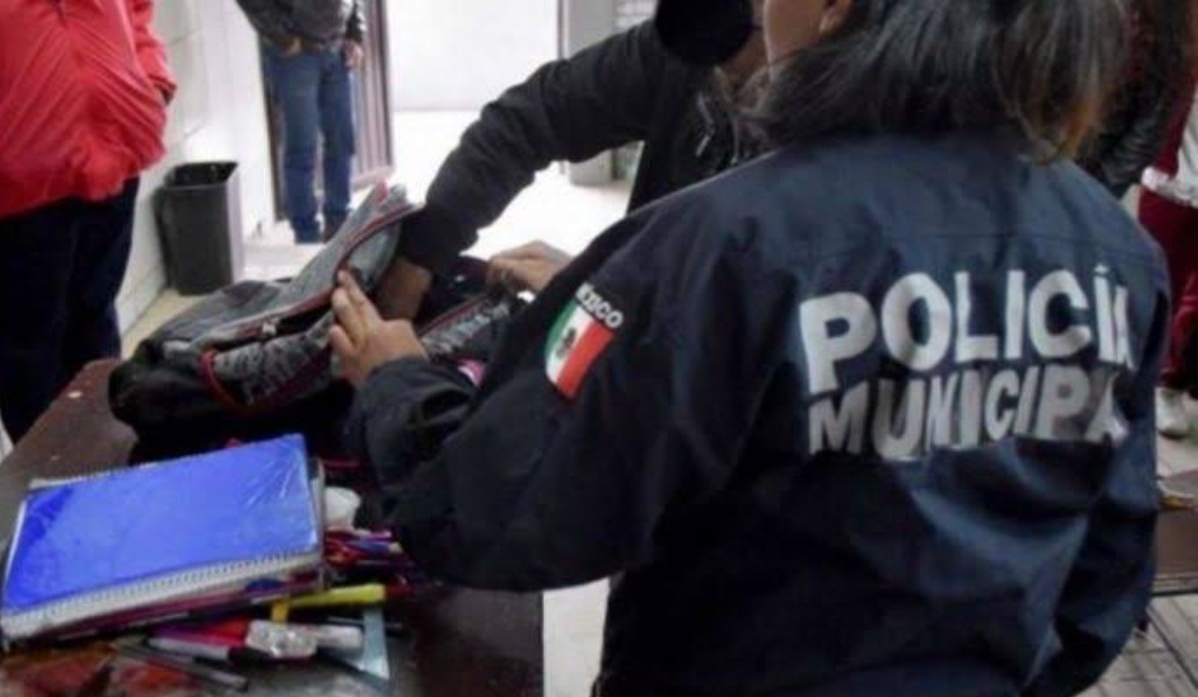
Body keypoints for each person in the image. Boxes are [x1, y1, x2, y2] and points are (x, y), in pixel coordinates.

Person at [331, 0, 1167, 695]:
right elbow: (1104, 582)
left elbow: (487, 514)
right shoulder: (1114, 254)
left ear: (833, 8)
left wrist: (397, 381)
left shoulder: (720, 245)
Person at [374, 1, 769, 319]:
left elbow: (735, 345)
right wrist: (424, 249)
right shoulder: (686, 48)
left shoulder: (805, 175)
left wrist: (605, 299)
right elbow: (534, 117)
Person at [0, 0, 173, 443]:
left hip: (113, 153)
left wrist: (152, 81)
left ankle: (107, 460)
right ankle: (48, 474)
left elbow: (135, 9)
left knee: (95, 322)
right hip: (15, 187)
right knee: (32, 347)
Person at [236, 0, 366, 244]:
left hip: (338, 49)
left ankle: (339, 227)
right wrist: (283, 39)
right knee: (302, 149)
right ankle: (306, 236)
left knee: (342, 142)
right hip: (297, 55)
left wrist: (355, 34)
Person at [1140, 39, 1198, 438]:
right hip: (1171, 186)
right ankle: (1142, 380)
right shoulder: (1184, 40)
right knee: (1155, 288)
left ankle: (1170, 381)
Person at [1080, 0, 1192, 197]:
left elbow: (1142, 139)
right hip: (1041, 152)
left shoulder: (1168, 29)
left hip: (1091, 171)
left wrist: (1092, 196)